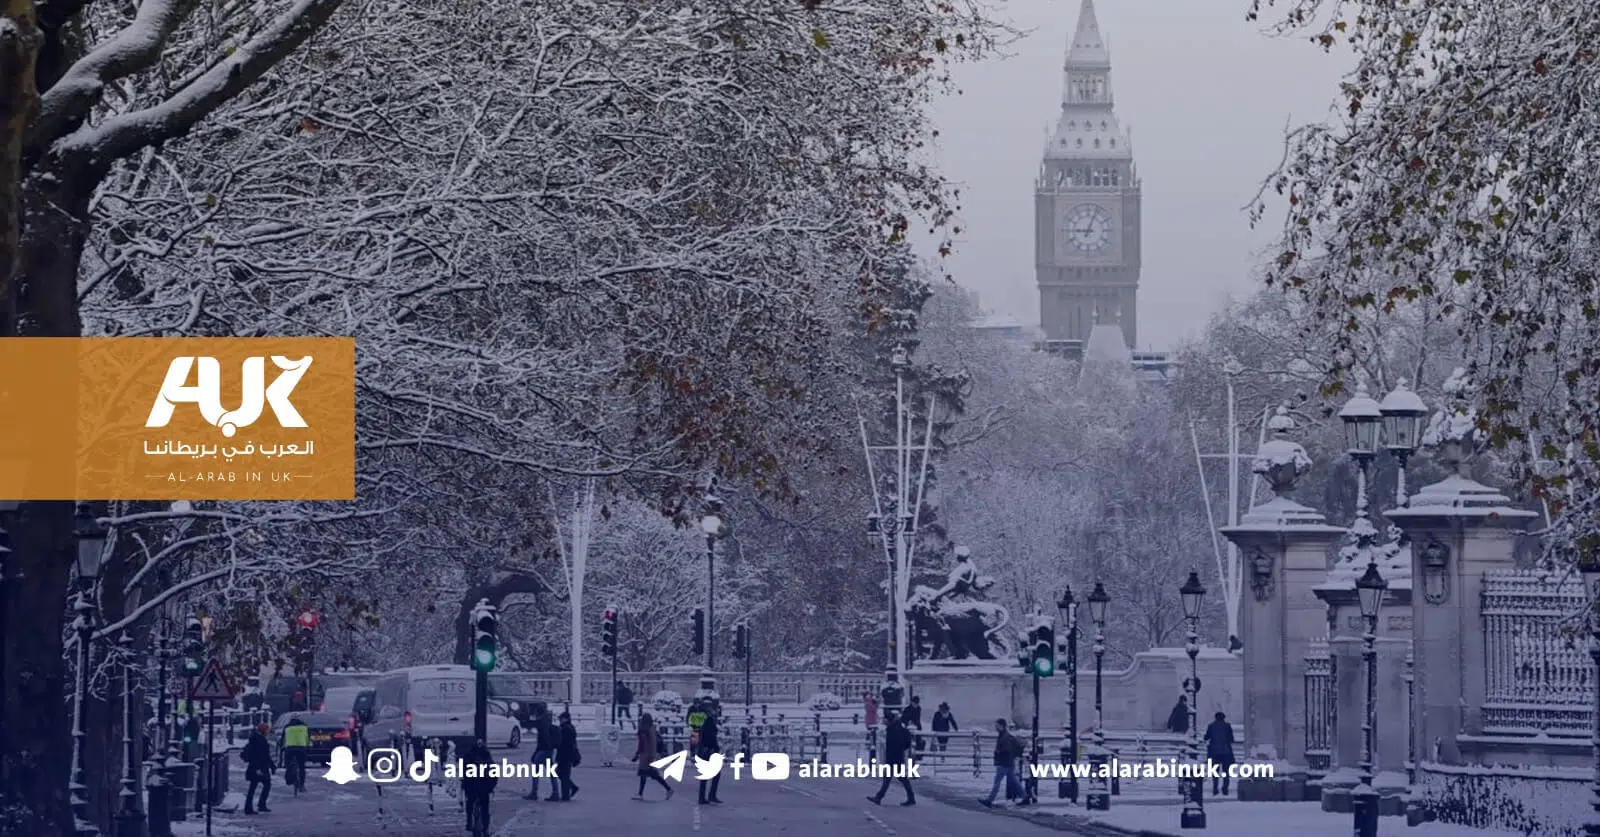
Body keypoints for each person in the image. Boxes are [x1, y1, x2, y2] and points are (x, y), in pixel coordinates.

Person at [867, 711, 916, 806]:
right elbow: (906, 743)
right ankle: (911, 798)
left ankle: (879, 797)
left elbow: (894, 746)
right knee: (900, 779)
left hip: (894, 758)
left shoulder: (893, 730)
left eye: (885, 719)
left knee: (892, 778)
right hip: (897, 757)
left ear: (889, 720)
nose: (883, 721)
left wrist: (892, 757)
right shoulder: (896, 728)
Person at [978, 718, 1024, 808]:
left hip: (1004, 763)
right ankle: (1025, 796)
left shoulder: (1004, 737)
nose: (996, 727)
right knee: (1014, 782)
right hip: (1008, 763)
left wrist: (998, 751)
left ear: (1001, 726)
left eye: (997, 725)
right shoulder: (1004, 735)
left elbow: (1007, 750)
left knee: (997, 782)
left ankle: (989, 800)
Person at [633, 713, 674, 800]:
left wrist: (638, 755)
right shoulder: (651, 730)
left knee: (649, 775)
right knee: (648, 775)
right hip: (648, 756)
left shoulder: (644, 731)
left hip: (646, 756)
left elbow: (643, 744)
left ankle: (668, 789)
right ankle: (641, 793)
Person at [460, 739, 498, 831]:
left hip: (472, 787)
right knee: (485, 807)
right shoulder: (488, 757)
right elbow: (494, 775)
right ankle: (485, 828)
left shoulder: (468, 756)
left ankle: (469, 822)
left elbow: (464, 774)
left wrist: (464, 784)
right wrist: (491, 788)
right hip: (485, 787)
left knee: (469, 802)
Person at [241, 723, 275, 814]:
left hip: (255, 767)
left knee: (253, 787)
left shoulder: (255, 739)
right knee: (266, 785)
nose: (268, 731)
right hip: (259, 767)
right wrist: (270, 766)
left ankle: (250, 807)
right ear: (264, 730)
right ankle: (259, 805)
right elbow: (263, 755)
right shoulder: (260, 741)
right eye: (267, 729)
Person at [526, 708, 556, 800]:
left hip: (543, 750)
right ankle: (556, 792)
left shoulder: (541, 722)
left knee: (536, 771)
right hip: (549, 750)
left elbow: (541, 740)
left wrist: (536, 753)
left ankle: (534, 792)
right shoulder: (548, 721)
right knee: (551, 772)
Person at [1204, 711, 1237, 796]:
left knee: (1215, 772)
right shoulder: (1227, 726)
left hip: (1214, 752)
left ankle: (1215, 789)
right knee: (1226, 772)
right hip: (1226, 753)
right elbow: (1231, 739)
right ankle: (1225, 789)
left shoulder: (1211, 726)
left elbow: (1206, 737)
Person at [696, 710, 723, 805]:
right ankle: (711, 795)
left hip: (706, 753)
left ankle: (702, 797)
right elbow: (711, 740)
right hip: (710, 753)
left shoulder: (706, 725)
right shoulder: (710, 726)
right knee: (716, 775)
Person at [554, 711, 581, 800]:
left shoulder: (565, 729)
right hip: (569, 755)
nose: (559, 721)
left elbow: (563, 744)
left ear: (565, 719)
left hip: (565, 755)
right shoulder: (569, 728)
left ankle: (566, 794)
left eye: (561, 719)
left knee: (563, 774)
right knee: (562, 773)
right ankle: (571, 788)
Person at [281, 716, 310, 791]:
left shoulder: (287, 727)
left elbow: (283, 740)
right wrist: (307, 747)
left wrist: (282, 746)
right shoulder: (304, 727)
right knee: (302, 767)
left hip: (290, 749)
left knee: (288, 765)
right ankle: (302, 786)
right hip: (301, 749)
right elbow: (307, 739)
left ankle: (289, 779)